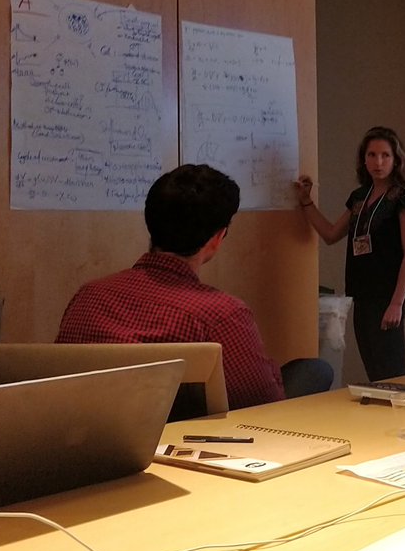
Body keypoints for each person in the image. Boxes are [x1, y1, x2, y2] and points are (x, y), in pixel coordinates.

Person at [57, 164, 285, 409]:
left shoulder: (89, 295)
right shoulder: (220, 315)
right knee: (313, 370)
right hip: (195, 437)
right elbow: (264, 402)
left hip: (98, 432)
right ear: (218, 237)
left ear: (150, 222)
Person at [295, 126, 405, 382]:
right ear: (363, 159)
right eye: (372, 155)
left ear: (396, 159)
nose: (378, 162)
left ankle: (397, 415)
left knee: (390, 371)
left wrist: (397, 303)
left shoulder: (403, 198)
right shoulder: (359, 197)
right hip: (362, 293)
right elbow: (331, 233)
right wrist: (306, 201)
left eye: (385, 156)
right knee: (374, 368)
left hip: (388, 296)